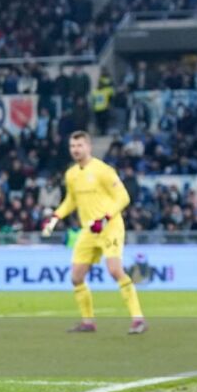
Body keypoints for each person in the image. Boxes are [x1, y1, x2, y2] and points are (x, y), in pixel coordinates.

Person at [42, 130, 146, 333]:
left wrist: (105, 218)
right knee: (76, 277)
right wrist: (55, 217)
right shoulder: (71, 174)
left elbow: (123, 197)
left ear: (89, 147)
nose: (75, 149)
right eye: (72, 146)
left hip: (110, 227)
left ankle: (138, 319)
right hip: (89, 230)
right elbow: (71, 200)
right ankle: (88, 322)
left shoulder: (103, 170)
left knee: (115, 270)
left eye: (79, 145)